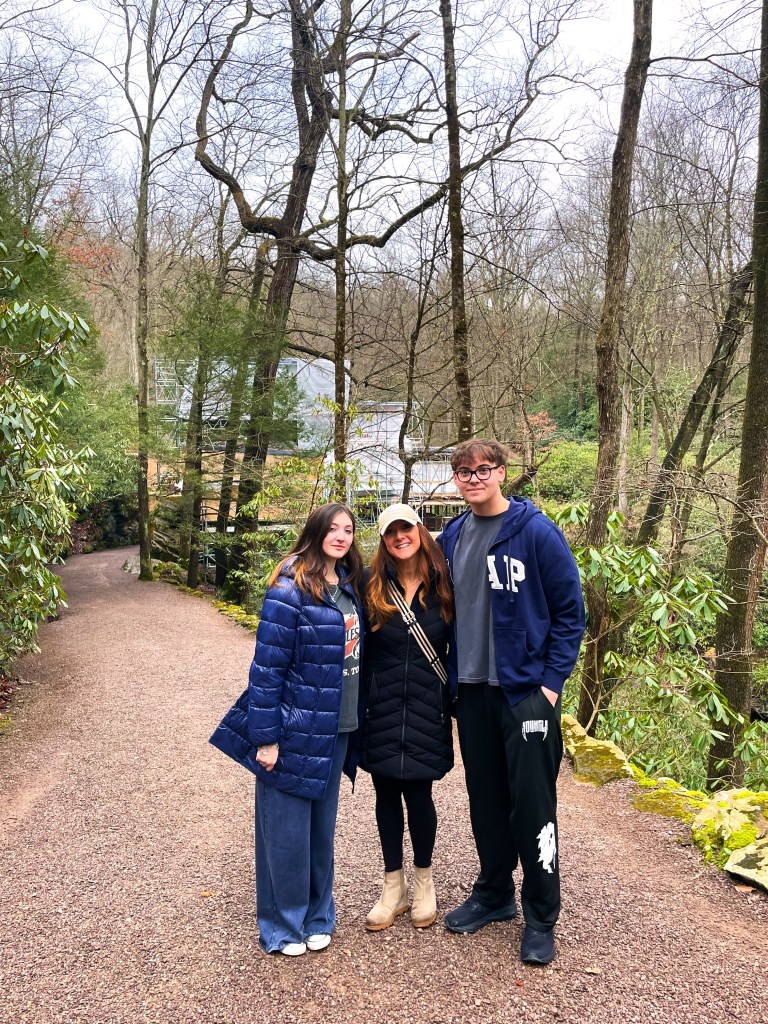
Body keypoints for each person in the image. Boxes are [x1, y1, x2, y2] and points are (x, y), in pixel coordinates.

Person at [437, 439, 585, 966]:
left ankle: (542, 914)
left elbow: (571, 613)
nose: (473, 478)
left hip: (525, 695)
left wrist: (549, 686)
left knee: (534, 807)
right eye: (463, 471)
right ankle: (494, 893)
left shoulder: (536, 533)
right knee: (486, 801)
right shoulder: (452, 535)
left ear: (502, 472)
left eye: (483, 469)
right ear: (455, 478)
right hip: (473, 693)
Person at [212, 502, 364, 957]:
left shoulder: (350, 587)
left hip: (338, 727)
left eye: (349, 529)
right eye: (332, 528)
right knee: (284, 832)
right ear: (315, 532)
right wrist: (266, 737)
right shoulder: (290, 587)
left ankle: (319, 916)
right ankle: (282, 925)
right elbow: (267, 669)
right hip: (295, 728)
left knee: (321, 830)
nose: (341, 536)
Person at [360, 503, 453, 931]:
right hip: (380, 708)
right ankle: (391, 887)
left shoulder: (444, 584)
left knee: (419, 797)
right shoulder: (371, 584)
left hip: (425, 706)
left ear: (420, 529)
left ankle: (425, 882)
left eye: (406, 528)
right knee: (385, 798)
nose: (400, 536)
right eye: (390, 531)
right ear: (383, 539)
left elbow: (465, 642)